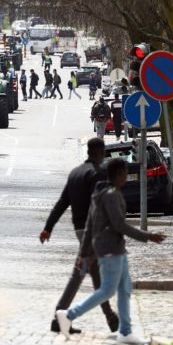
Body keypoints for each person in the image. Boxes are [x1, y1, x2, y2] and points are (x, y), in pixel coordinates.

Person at [56, 158, 166, 344]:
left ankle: (125, 331)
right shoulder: (111, 195)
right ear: (118, 174)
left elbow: (90, 225)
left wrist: (84, 253)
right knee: (107, 290)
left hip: (115, 249)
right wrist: (148, 236)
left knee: (124, 289)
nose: (126, 176)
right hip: (110, 250)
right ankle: (69, 315)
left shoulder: (99, 193)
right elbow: (119, 225)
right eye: (124, 172)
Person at [40, 138, 119, 334]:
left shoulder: (75, 173)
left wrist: (48, 227)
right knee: (79, 273)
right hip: (93, 232)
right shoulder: (97, 174)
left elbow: (62, 202)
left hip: (79, 229)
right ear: (100, 152)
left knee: (95, 274)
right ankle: (59, 317)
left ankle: (110, 317)